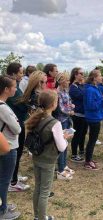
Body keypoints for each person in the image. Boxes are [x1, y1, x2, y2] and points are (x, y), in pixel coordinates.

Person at [25, 90, 70, 220]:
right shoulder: (55, 123)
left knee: (38, 188)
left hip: (36, 158)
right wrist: (65, 138)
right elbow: (61, 147)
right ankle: (42, 217)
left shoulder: (36, 117)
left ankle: (37, 216)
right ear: (53, 104)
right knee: (45, 191)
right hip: (48, 160)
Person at [6, 62, 30, 191]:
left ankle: (13, 175)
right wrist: (28, 104)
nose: (22, 75)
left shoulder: (15, 85)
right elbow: (21, 104)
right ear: (14, 73)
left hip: (19, 120)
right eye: (21, 72)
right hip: (16, 122)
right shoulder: (11, 87)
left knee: (19, 151)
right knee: (17, 150)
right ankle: (13, 182)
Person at [0, 75, 21, 220]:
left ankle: (4, 204)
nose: (16, 89)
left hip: (4, 145)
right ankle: (2, 210)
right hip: (8, 146)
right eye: (14, 86)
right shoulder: (3, 108)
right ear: (6, 89)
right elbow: (17, 128)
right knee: (4, 179)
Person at [56, 73, 75, 180]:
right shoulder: (58, 92)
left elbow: (68, 102)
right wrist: (70, 111)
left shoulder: (65, 91)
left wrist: (71, 105)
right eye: (66, 80)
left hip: (67, 120)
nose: (68, 82)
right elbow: (60, 108)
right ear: (61, 81)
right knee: (61, 145)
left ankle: (64, 165)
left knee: (66, 143)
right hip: (62, 121)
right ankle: (60, 170)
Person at [69, 67, 88, 162]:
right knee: (77, 135)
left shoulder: (81, 86)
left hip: (84, 114)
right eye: (81, 73)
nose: (83, 75)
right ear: (75, 75)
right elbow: (84, 95)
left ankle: (81, 151)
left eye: (83, 73)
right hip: (77, 115)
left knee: (83, 133)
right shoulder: (73, 87)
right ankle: (74, 154)